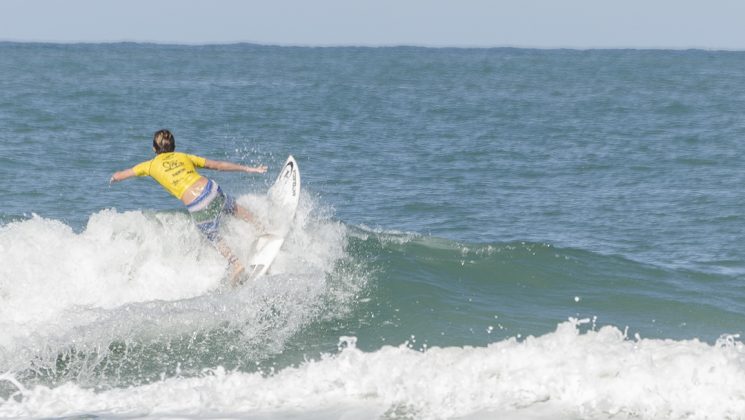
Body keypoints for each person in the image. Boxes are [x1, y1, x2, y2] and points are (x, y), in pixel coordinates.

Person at [110, 129, 267, 285]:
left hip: (197, 204)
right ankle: (261, 228)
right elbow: (218, 165)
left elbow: (120, 175)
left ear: (153, 149)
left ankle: (236, 264)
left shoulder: (149, 166)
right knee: (232, 207)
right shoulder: (184, 156)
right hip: (210, 189)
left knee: (212, 235)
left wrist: (114, 177)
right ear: (174, 146)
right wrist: (250, 169)